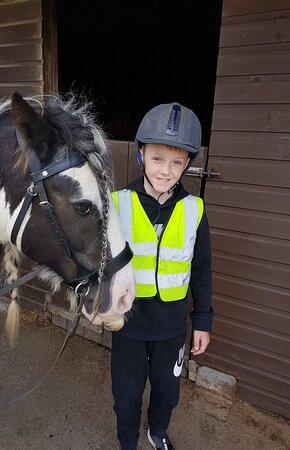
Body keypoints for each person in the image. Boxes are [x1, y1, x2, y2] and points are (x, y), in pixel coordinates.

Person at [111, 102, 213, 450]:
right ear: (141, 155)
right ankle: (127, 440)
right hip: (129, 324)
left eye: (176, 162)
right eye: (157, 159)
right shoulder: (117, 204)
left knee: (167, 390)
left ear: (188, 163)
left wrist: (202, 321)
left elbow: (201, 271)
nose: (166, 171)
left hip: (171, 327)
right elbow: (99, 263)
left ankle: (157, 431)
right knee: (126, 392)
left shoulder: (194, 210)